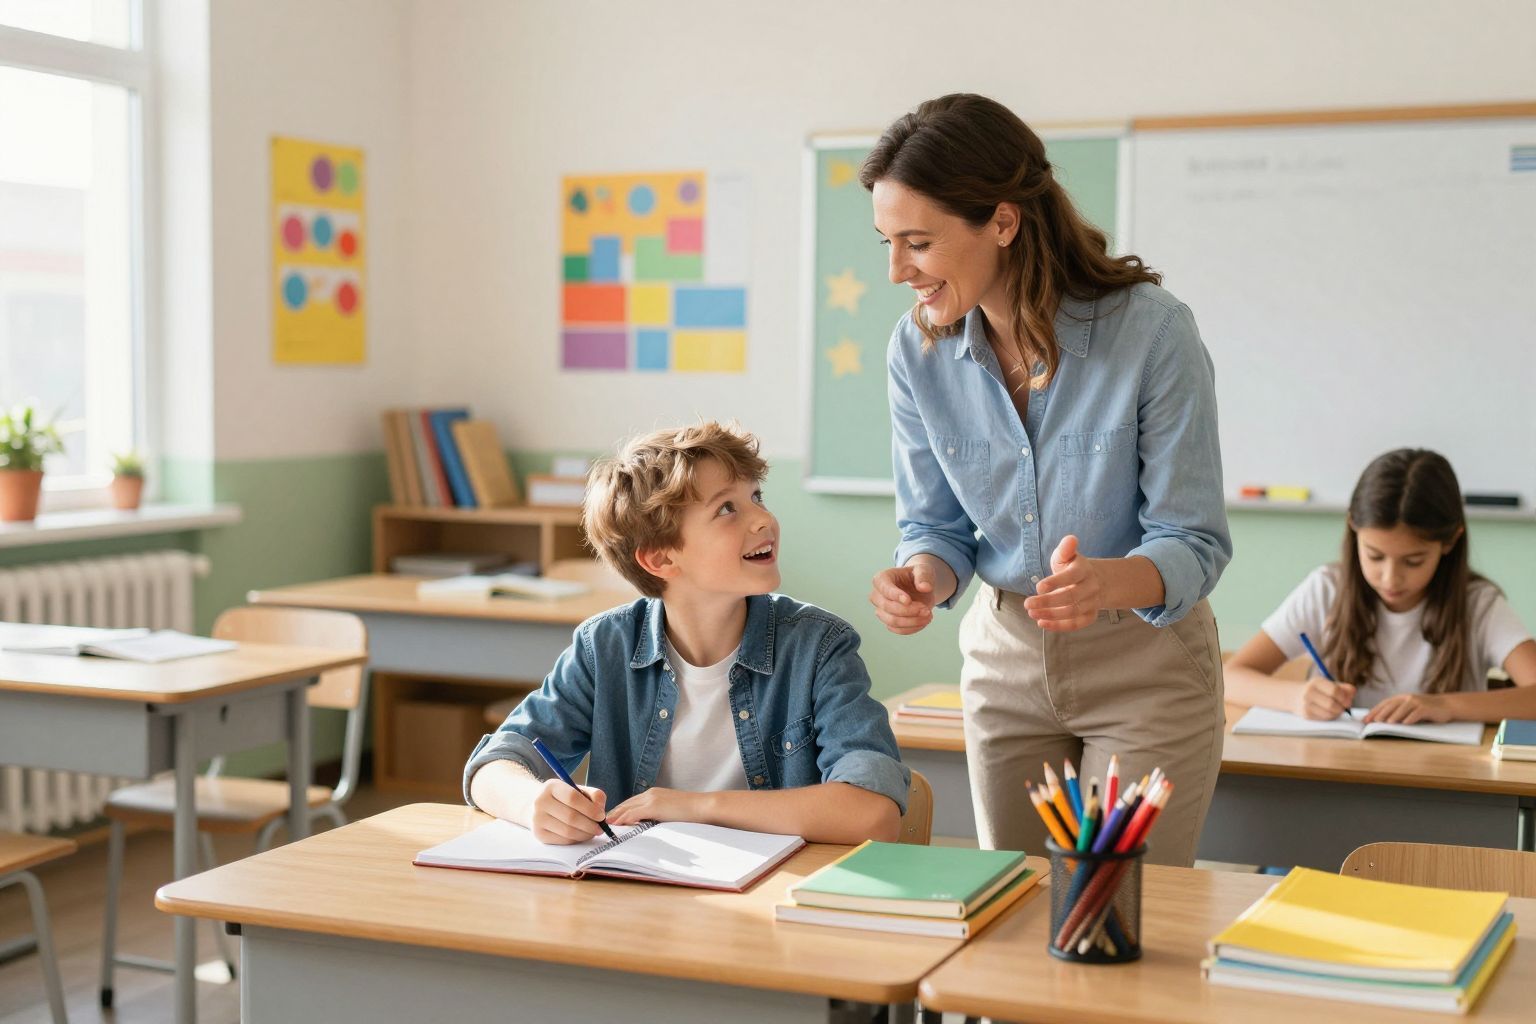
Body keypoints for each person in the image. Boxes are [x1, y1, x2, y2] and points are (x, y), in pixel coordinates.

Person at [863, 93, 1231, 866]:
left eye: (918, 243)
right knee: (1014, 920)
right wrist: (921, 577)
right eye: (888, 243)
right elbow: (935, 526)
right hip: (1005, 663)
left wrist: (1109, 582)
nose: (898, 270)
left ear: (1002, 221)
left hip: (1147, 669)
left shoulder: (1153, 331)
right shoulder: (916, 350)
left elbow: (1193, 540)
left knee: (1111, 920)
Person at [465, 421, 909, 845]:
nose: (762, 519)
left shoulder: (820, 648)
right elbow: (493, 766)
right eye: (727, 509)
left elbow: (873, 812)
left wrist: (697, 807)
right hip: (637, 895)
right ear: (660, 561)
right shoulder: (605, 648)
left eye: (756, 496)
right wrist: (531, 804)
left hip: (773, 900)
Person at [1226, 448, 1536, 723]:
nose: (1390, 578)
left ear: (1450, 541)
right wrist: (1295, 698)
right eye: (1375, 556)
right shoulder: (1327, 589)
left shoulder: (1478, 603)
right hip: (1336, 770)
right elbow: (1230, 676)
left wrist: (1446, 705)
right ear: (1353, 529)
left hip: (1445, 777)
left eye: (1413, 561)